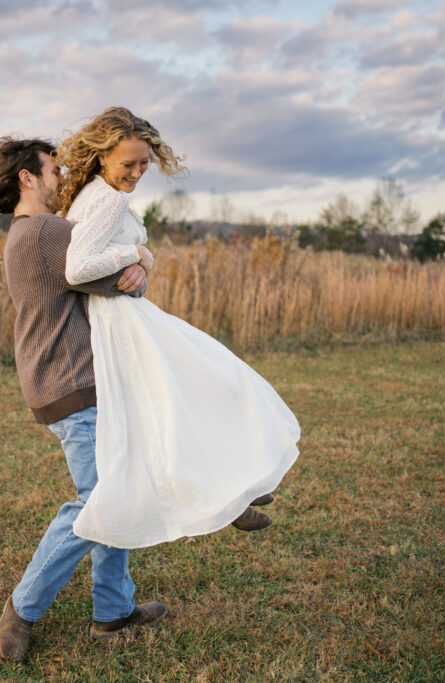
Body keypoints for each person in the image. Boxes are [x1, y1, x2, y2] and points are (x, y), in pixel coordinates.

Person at [56, 106, 301, 549]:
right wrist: (136, 255)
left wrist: (136, 261)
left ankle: (236, 487)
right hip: (121, 322)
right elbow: (77, 268)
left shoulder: (90, 193)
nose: (135, 172)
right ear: (103, 156)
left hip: (119, 313)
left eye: (143, 163)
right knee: (211, 385)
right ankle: (230, 491)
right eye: (127, 163)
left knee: (188, 397)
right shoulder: (108, 200)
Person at [0, 136, 167, 664]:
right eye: (53, 169)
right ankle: (20, 612)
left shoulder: (26, 233)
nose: (62, 177)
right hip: (68, 384)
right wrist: (141, 256)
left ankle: (113, 609)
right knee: (98, 500)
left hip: (68, 381)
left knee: (116, 490)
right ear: (28, 177)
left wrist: (133, 268)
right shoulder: (46, 231)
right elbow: (115, 278)